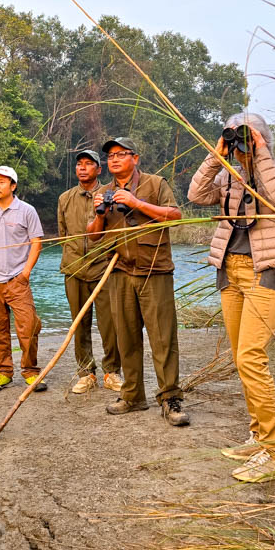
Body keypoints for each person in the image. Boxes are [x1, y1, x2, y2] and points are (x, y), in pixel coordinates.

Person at [187, 112, 275, 483]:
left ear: (262, 138)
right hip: (230, 270)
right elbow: (195, 194)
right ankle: (258, 435)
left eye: (245, 138)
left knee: (252, 356)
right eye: (236, 138)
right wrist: (216, 154)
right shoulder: (225, 174)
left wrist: (260, 152)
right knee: (240, 357)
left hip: (265, 271)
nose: (241, 145)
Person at [86, 138, 189, 426]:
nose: (114, 160)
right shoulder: (104, 192)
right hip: (119, 271)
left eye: (121, 154)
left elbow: (175, 216)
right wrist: (100, 215)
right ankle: (132, 395)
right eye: (110, 156)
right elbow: (93, 236)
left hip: (154, 270)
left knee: (162, 337)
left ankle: (170, 398)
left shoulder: (155, 185)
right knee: (126, 337)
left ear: (136, 158)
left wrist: (135, 202)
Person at [0, 165, 47, 393]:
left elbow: (36, 243)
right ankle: (3, 373)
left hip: (17, 280)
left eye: (2, 182)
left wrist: (25, 273)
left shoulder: (26, 211)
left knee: (29, 326)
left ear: (13, 186)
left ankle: (31, 372)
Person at [57, 149, 124, 394]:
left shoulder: (110, 195)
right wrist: (72, 258)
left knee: (110, 324)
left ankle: (111, 371)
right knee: (79, 324)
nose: (82, 168)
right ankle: (86, 373)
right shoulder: (65, 198)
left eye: (89, 164)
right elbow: (64, 234)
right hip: (74, 269)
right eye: (79, 164)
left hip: (104, 269)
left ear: (99, 169)